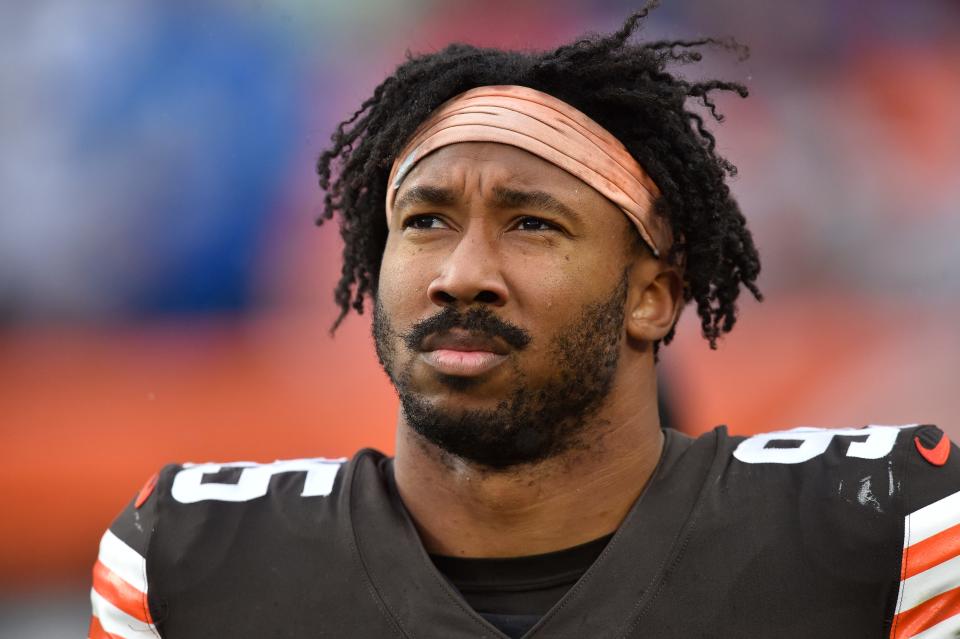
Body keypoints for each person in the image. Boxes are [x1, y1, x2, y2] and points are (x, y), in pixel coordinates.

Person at [88, 8, 960, 639]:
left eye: (532, 223)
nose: (462, 274)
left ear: (653, 294)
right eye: (424, 221)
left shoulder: (884, 532)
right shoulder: (190, 563)